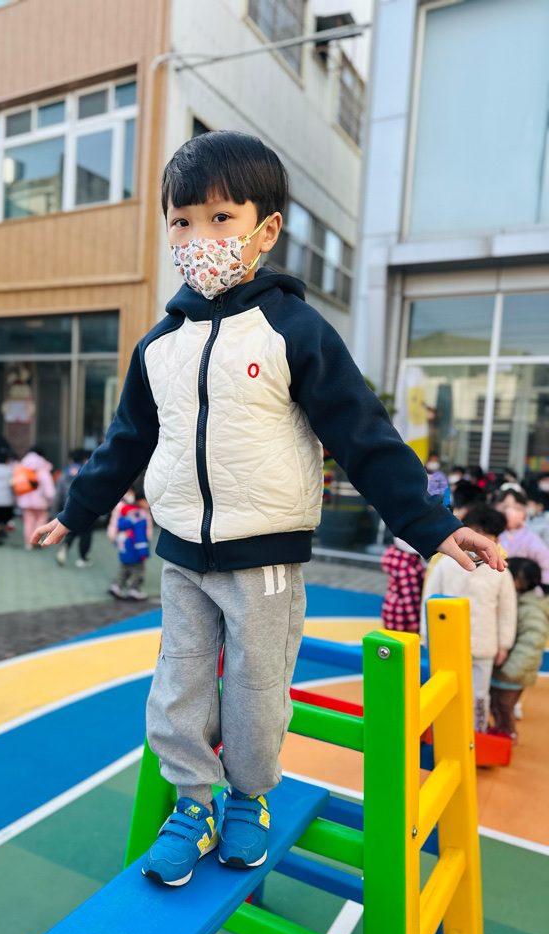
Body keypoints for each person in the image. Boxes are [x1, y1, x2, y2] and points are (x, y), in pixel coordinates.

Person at [30, 130, 504, 887]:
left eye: (221, 218)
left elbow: (361, 433)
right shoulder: (160, 346)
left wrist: (433, 525)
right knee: (178, 688)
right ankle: (194, 803)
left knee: (255, 693)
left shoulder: (294, 331)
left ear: (266, 229)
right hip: (181, 555)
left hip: (265, 559)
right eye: (182, 222)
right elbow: (127, 440)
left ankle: (249, 797)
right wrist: (77, 507)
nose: (199, 238)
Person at [423, 504, 516, 733]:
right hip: (447, 643)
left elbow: (507, 611)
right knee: (442, 689)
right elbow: (429, 599)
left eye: (488, 537)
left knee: (479, 694)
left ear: (496, 540)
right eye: (476, 534)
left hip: (483, 645)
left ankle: (477, 734)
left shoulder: (501, 571)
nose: (479, 542)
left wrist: (504, 645)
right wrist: (426, 634)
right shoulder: (445, 565)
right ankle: (443, 733)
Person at [489, 557, 549, 742]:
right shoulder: (518, 601)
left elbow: (532, 643)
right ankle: (501, 735)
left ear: (518, 582)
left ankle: (509, 737)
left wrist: (511, 670)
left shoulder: (531, 609)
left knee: (504, 706)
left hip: (513, 673)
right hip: (504, 671)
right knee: (496, 705)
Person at [493, 488, 549, 591]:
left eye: (517, 508)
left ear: (524, 512)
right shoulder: (489, 533)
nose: (509, 512)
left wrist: (539, 591)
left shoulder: (530, 538)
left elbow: (546, 565)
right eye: (504, 507)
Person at [109, 482, 152, 601]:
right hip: (135, 548)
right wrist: (143, 552)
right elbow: (140, 535)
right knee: (138, 570)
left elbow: (116, 524)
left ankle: (117, 586)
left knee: (124, 567)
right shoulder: (139, 515)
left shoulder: (125, 510)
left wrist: (114, 539)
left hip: (123, 544)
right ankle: (134, 589)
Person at [51, 449, 94, 567]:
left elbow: (57, 495)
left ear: (71, 460)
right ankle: (83, 558)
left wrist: (54, 512)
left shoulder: (65, 472)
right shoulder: (89, 470)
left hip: (69, 507)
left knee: (71, 529)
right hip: (86, 508)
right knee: (85, 533)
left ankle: (64, 546)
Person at [14, 446, 56, 551]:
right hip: (41, 501)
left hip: (26, 501)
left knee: (28, 520)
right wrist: (51, 498)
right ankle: (35, 539)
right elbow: (48, 489)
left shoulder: (23, 466)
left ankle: (28, 543)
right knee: (42, 518)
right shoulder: (43, 468)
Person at [381, 537, 425, 633]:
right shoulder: (407, 566)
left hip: (390, 609)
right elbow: (408, 597)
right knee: (402, 641)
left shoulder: (394, 555)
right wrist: (415, 623)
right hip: (402, 617)